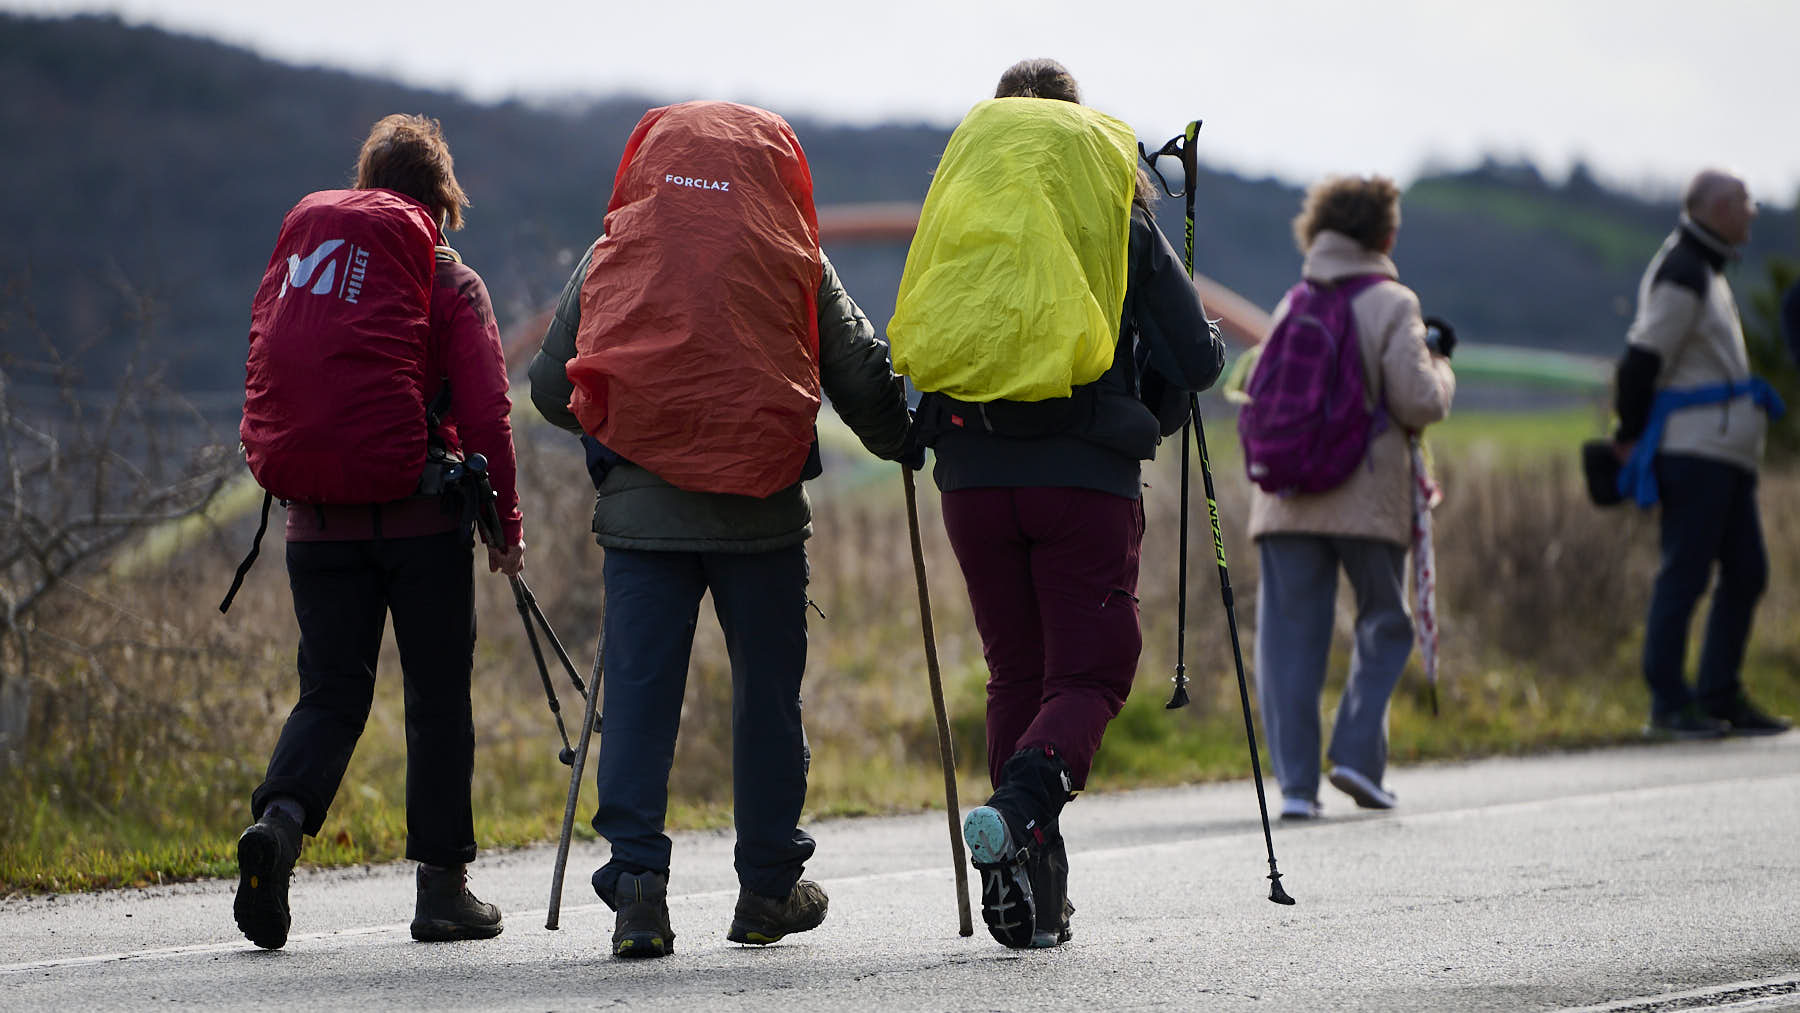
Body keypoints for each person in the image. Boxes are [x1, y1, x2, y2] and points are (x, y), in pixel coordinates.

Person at [528, 100, 913, 960]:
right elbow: (860, 379)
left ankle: (637, 895)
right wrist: (905, 441)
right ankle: (766, 890)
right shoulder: (793, 253)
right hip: (763, 512)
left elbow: (552, 388)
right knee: (767, 703)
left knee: (637, 700)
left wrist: (627, 417)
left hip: (641, 517)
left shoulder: (613, 252)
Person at [889, 59, 1225, 949]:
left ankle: (1034, 892)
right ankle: (1023, 805)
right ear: (1076, 129)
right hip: (1081, 478)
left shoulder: (963, 203)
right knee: (1090, 674)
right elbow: (1197, 361)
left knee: (1018, 677)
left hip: (969, 473)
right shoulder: (1113, 207)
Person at [233, 114, 526, 949]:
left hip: (314, 521)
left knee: (331, 690)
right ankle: (442, 889)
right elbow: (487, 414)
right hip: (421, 521)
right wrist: (505, 524)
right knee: (436, 698)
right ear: (439, 200)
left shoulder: (318, 267)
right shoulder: (449, 282)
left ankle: (280, 826)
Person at [1246, 175, 1456, 821]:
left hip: (1285, 497)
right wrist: (1442, 364)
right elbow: (1418, 398)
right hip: (1364, 496)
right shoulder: (1394, 302)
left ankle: (1297, 788)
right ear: (1386, 234)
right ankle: (1359, 758)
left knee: (1288, 642)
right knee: (1384, 622)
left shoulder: (1292, 300)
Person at [1613, 168, 1790, 738]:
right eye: (1744, 201)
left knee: (1746, 572)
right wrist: (1629, 434)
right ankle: (1669, 704)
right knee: (1685, 575)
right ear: (1717, 209)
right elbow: (1642, 358)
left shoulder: (1705, 266)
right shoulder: (1684, 271)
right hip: (1695, 452)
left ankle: (1719, 693)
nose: (1754, 210)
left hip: (1721, 453)